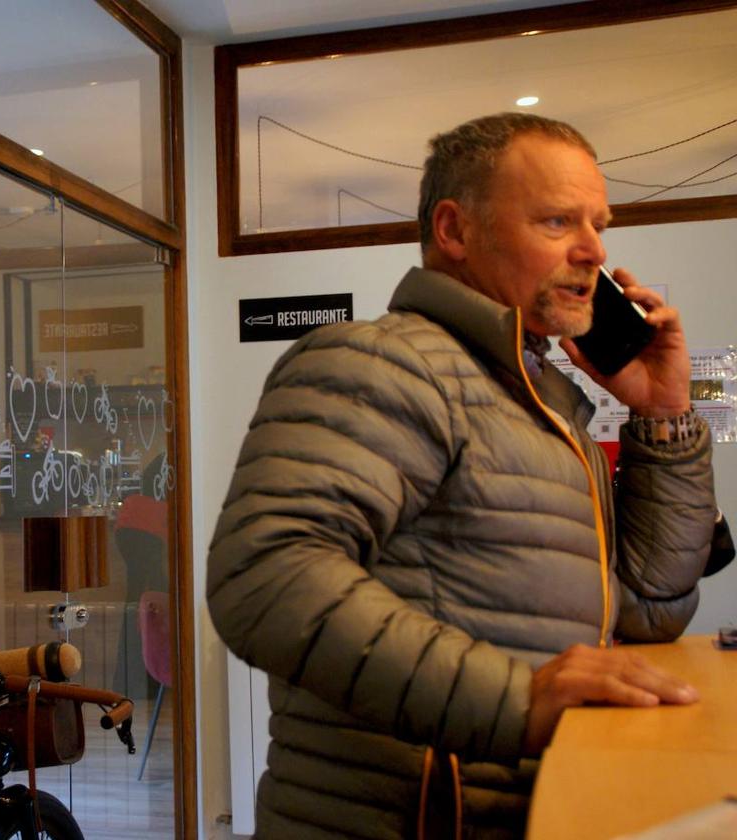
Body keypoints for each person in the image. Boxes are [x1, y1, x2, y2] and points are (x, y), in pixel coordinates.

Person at [207, 113, 717, 839]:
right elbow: (263, 575)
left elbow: (650, 607)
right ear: (454, 231)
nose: (593, 250)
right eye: (556, 221)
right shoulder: (381, 363)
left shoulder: (546, 401)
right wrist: (520, 703)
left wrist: (664, 417)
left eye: (598, 224)